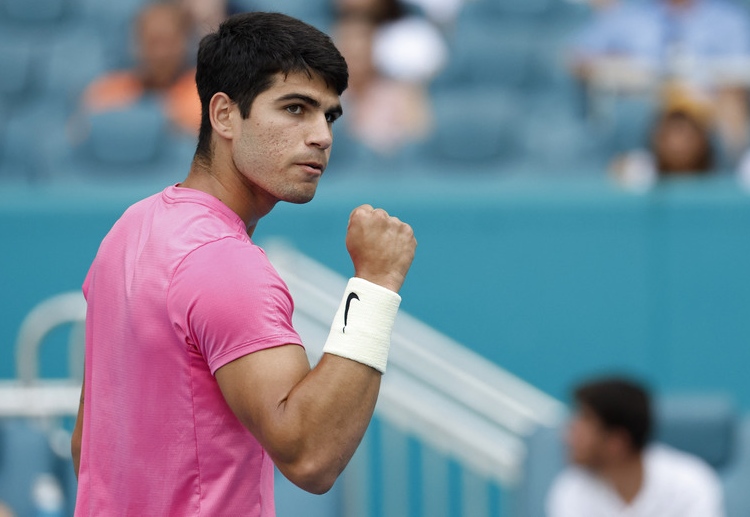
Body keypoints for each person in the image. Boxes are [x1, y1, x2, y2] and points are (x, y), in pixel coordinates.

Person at [70, 11, 417, 516]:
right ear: (224, 115)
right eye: (296, 108)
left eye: (330, 115)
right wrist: (376, 282)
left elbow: (89, 446)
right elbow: (310, 455)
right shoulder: (225, 263)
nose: (322, 135)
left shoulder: (129, 230)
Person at [546, 376, 725, 517]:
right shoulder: (570, 490)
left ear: (617, 442)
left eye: (583, 424)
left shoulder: (690, 482)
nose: (567, 437)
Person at [80, 2, 201, 135]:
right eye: (152, 42)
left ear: (185, 43)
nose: (160, 52)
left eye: (169, 42)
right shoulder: (111, 89)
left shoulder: (202, 89)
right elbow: (84, 126)